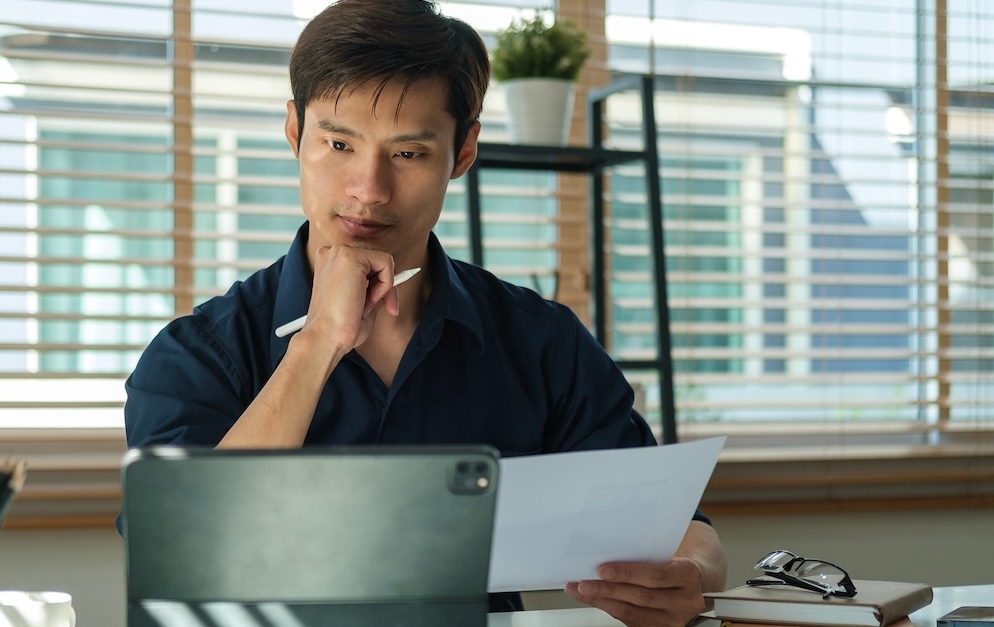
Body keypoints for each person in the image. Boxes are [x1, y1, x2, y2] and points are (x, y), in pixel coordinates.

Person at [124, 1, 727, 625]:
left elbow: (683, 532)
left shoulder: (539, 342)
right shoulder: (197, 354)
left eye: (408, 154)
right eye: (338, 143)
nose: (368, 188)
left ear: (462, 152)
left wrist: (691, 576)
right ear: (293, 132)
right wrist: (317, 346)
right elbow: (181, 554)